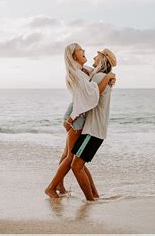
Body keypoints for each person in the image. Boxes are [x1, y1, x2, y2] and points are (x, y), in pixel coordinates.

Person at [44, 43, 115, 199]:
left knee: (72, 157)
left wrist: (110, 74)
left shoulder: (84, 71)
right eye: (80, 50)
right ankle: (52, 188)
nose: (85, 52)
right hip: (77, 116)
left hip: (77, 114)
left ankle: (61, 187)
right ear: (73, 55)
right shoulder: (78, 73)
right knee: (72, 159)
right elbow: (91, 96)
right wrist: (71, 118)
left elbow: (92, 82)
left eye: (98, 55)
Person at [70, 48, 117, 201]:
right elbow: (88, 71)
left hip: (93, 131)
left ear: (103, 59)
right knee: (80, 165)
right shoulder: (101, 76)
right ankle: (95, 196)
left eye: (98, 55)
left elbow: (92, 95)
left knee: (76, 167)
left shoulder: (99, 77)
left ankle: (90, 200)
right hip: (96, 130)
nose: (94, 57)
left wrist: (71, 118)